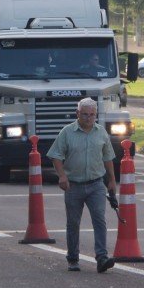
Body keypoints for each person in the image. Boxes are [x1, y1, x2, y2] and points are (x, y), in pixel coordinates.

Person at [47, 98, 117, 273]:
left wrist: (112, 180)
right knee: (73, 222)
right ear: (77, 114)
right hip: (74, 185)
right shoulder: (67, 132)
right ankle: (73, 259)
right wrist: (62, 176)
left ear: (96, 115)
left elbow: (108, 158)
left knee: (99, 220)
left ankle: (102, 257)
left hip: (96, 184)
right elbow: (55, 155)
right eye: (84, 114)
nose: (88, 118)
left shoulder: (101, 133)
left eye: (92, 114)